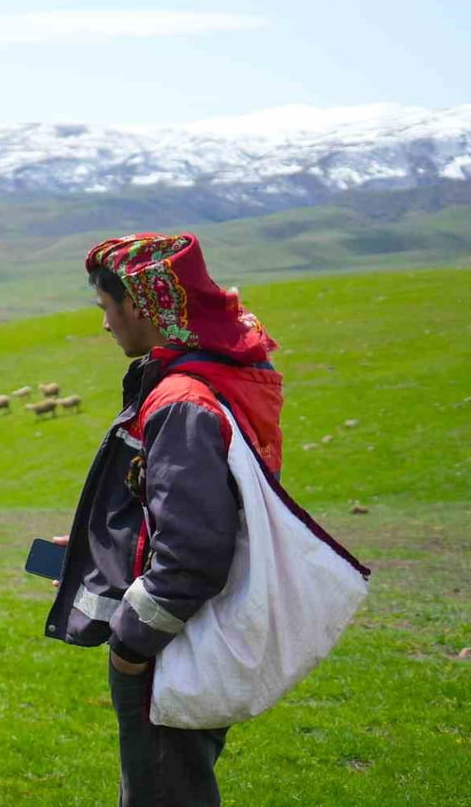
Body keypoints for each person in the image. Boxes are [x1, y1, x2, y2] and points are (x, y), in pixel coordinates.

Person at [44, 232, 284, 807]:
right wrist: (103, 550)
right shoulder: (210, 380)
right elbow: (185, 511)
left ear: (138, 305)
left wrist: (131, 644)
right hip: (197, 629)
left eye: (106, 307)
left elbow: (192, 554)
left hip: (170, 643)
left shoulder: (182, 402)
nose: (105, 323)